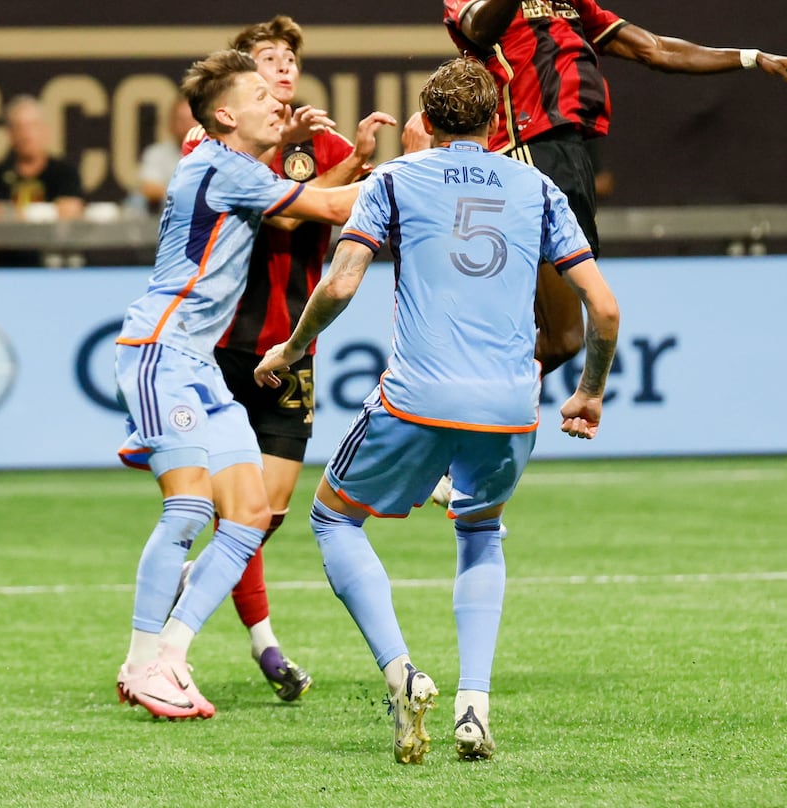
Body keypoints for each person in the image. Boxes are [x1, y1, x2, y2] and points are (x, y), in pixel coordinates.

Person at [253, 58, 619, 764]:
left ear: (427, 116)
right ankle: (473, 708)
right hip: (511, 404)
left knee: (334, 517)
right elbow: (602, 308)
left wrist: (294, 348)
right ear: (496, 122)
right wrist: (590, 391)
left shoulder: (393, 179)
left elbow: (340, 284)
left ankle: (401, 674)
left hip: (417, 396)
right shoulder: (537, 186)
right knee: (482, 533)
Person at [443, 0, 787, 373]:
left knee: (560, 339)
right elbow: (479, 29)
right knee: (556, 336)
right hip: (524, 150)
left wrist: (752, 57)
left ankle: (468, 403)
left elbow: (654, 49)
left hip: (570, 156)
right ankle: (458, 407)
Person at [111, 49, 369, 721]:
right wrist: (426, 167)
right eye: (259, 92)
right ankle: (142, 665)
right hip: (158, 352)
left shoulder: (235, 167)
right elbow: (333, 203)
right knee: (191, 509)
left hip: (195, 364)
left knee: (250, 515)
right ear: (226, 114)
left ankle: (169, 655)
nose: (274, 100)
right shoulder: (225, 168)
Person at [178, 14, 392, 702]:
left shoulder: (322, 139)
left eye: (291, 59)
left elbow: (350, 212)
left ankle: (202, 587)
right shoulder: (210, 140)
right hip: (220, 346)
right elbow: (292, 213)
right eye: (269, 58)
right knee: (232, 514)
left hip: (290, 349)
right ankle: (257, 643)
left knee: (261, 517)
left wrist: (362, 160)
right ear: (241, 77)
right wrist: (358, 167)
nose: (284, 71)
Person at [0, 96, 86, 219]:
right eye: (19, 127)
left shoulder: (64, 172)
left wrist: (18, 214)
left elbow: (70, 211)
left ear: (44, 130)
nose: (26, 135)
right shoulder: (0, 172)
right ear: (9, 133)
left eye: (32, 126)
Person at [132, 98, 196, 215]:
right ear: (171, 124)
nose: (187, 126)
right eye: (181, 120)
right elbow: (150, 189)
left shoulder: (216, 154)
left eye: (192, 120)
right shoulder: (156, 153)